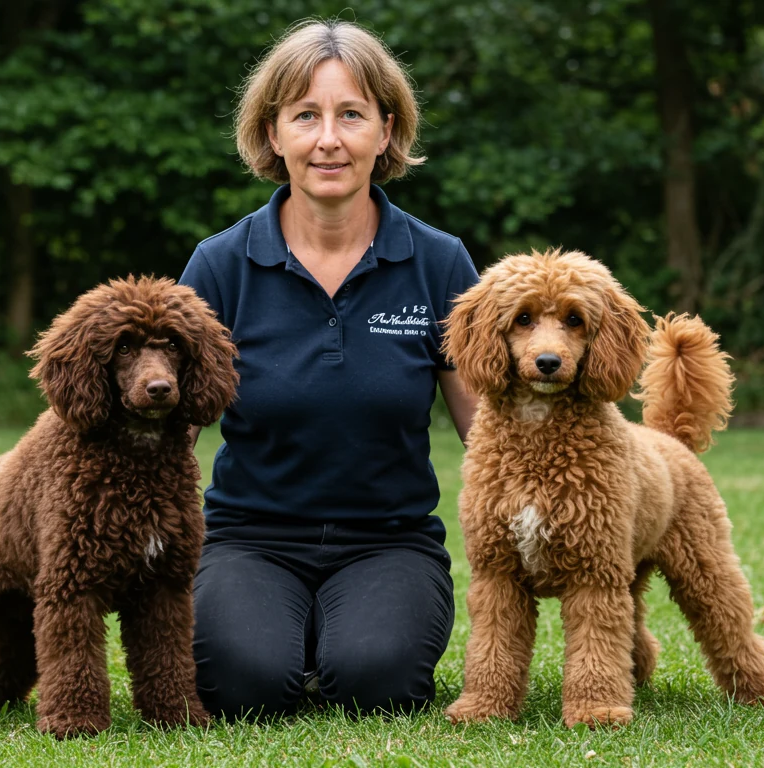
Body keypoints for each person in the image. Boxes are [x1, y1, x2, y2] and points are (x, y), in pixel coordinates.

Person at [178, 18, 479, 719]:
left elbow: (490, 435)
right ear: (273, 133)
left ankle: (339, 642)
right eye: (305, 116)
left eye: (351, 115)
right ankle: (282, 637)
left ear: (387, 129)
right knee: (246, 689)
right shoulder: (219, 264)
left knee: (375, 685)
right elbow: (170, 438)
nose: (328, 140)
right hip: (246, 539)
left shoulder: (439, 262)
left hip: (391, 542)